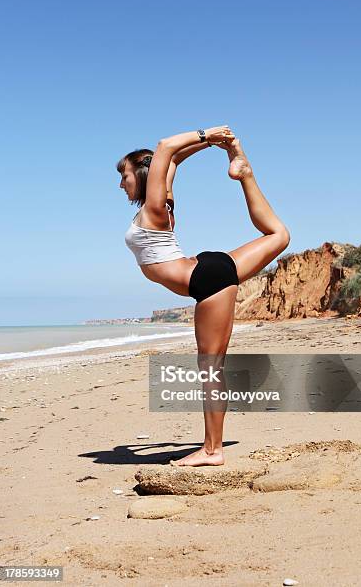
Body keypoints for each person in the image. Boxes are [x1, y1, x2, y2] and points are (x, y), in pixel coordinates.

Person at [117, 126, 290, 467]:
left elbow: (166, 147)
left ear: (140, 174)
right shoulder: (163, 197)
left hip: (206, 279)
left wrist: (208, 133)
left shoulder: (155, 206)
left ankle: (212, 451)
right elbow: (173, 159)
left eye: (123, 175)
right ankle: (244, 172)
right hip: (208, 269)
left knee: (211, 369)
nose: (121, 183)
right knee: (279, 235)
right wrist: (216, 144)